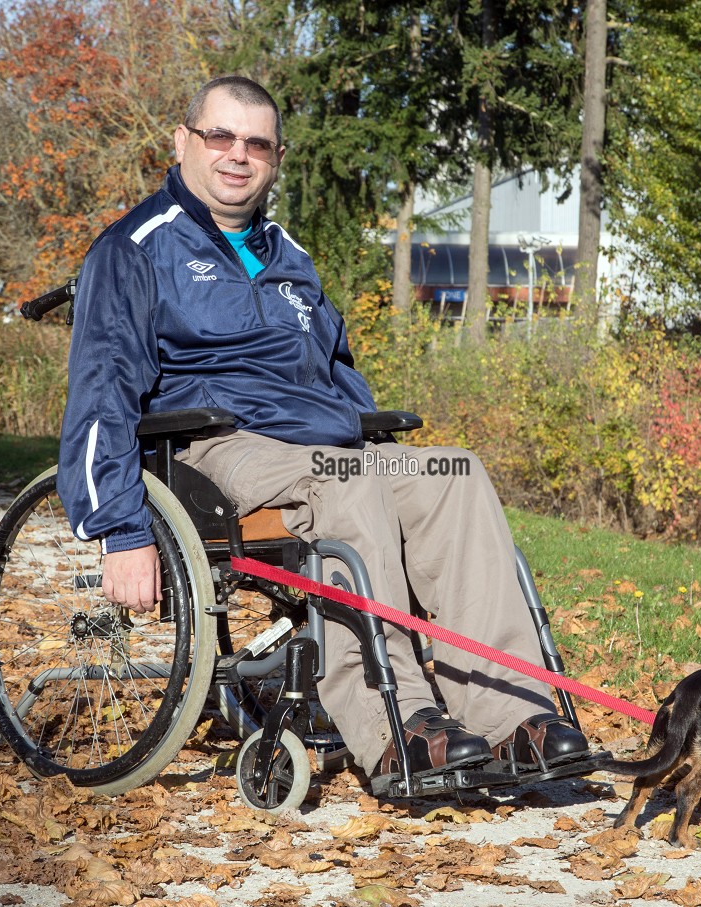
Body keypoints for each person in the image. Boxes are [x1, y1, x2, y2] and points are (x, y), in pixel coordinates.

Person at [57, 75, 588, 785]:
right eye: (220, 136)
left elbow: (339, 375)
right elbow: (100, 393)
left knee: (451, 473)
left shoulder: (290, 258)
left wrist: (383, 452)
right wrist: (119, 528)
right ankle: (395, 726)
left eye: (256, 143)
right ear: (182, 142)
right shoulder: (133, 249)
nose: (237, 154)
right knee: (349, 482)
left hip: (321, 448)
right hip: (210, 445)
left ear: (275, 158)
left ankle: (511, 713)